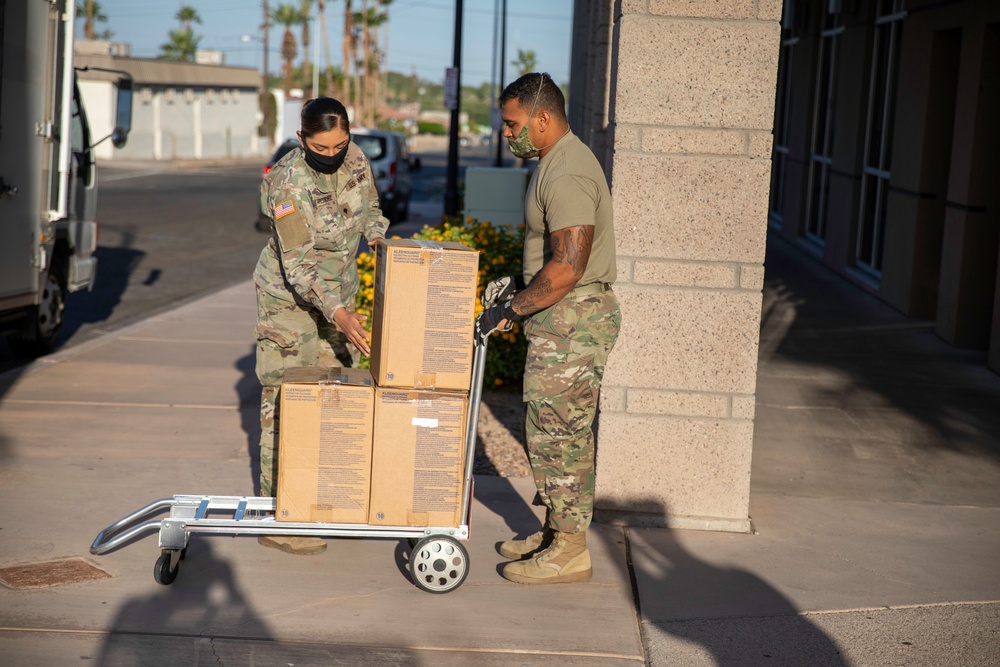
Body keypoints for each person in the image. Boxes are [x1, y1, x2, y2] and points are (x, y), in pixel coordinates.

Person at [476, 72, 621, 584]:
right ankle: (557, 531)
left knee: (561, 435)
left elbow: (568, 266)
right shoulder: (553, 162)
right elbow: (554, 259)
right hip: (563, 318)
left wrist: (512, 309)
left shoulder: (566, 173)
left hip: (574, 321)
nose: (506, 133)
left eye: (512, 124)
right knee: (544, 430)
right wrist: (517, 282)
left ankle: (572, 551)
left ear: (542, 119)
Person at [254, 97, 387, 555]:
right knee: (285, 401)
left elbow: (370, 207)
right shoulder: (286, 183)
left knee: (334, 399)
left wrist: (380, 239)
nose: (332, 155)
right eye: (320, 147)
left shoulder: (355, 158)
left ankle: (320, 497)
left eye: (340, 145)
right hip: (288, 302)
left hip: (339, 297)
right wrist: (340, 313)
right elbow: (300, 267)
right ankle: (280, 514)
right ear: (301, 139)